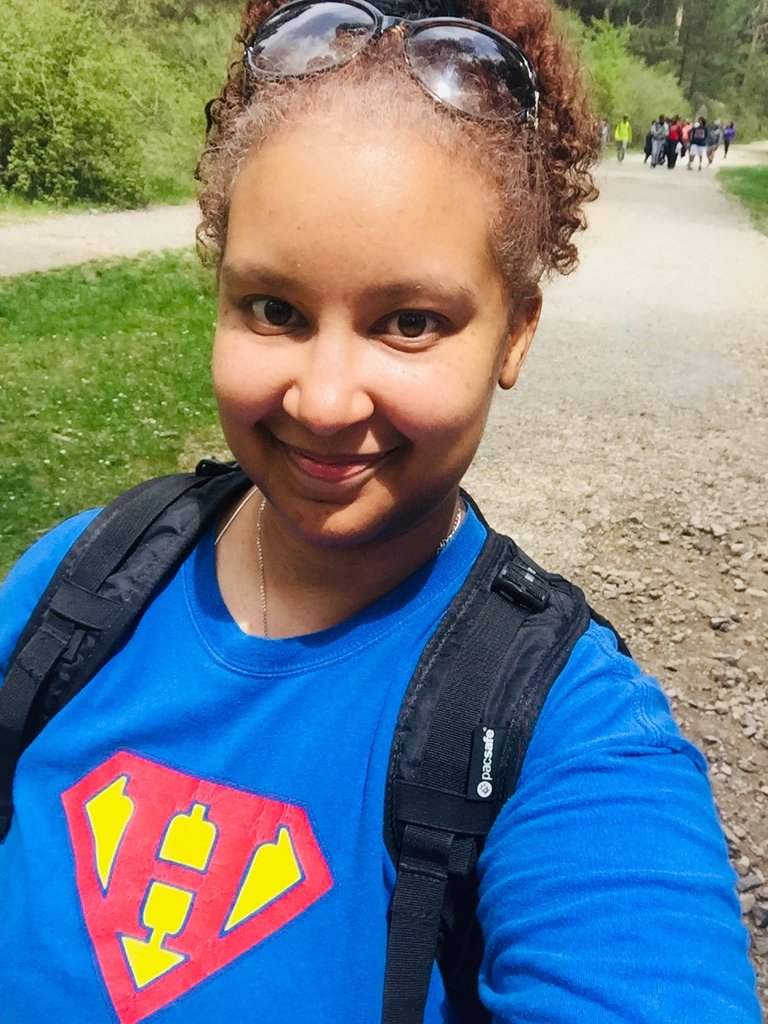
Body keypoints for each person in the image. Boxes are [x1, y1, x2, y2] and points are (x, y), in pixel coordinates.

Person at [0, 1, 761, 1022]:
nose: (323, 401)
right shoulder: (74, 585)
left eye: (409, 321)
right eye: (274, 308)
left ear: (516, 333)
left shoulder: (571, 738)